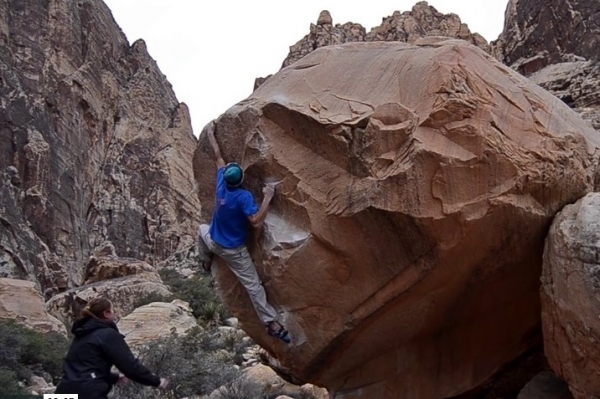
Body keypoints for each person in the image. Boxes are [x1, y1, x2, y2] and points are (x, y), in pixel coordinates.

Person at [197, 120, 291, 344]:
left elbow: (218, 158)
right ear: (241, 180)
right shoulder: (243, 197)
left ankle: (205, 261)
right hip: (233, 251)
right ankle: (271, 323)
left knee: (200, 230)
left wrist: (211, 134)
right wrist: (268, 197)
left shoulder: (221, 184)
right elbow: (256, 222)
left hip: (214, 241)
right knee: (254, 286)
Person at [55, 297, 169, 399]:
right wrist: (157, 381)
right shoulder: (107, 334)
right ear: (106, 313)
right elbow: (130, 367)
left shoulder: (81, 335)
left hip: (63, 392)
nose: (114, 313)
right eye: (113, 310)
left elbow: (82, 368)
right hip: (89, 393)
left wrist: (114, 378)